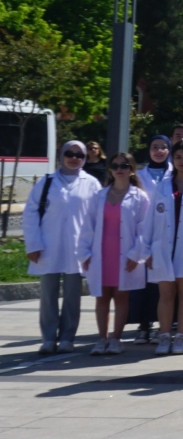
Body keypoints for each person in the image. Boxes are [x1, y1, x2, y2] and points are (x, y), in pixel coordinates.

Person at [23, 140, 101, 355]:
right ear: (61, 155)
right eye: (69, 153)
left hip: (78, 248)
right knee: (48, 295)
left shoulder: (92, 183)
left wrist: (93, 247)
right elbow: (30, 215)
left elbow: (97, 217)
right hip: (48, 245)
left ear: (85, 158)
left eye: (79, 154)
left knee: (72, 295)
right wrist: (33, 244)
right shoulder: (46, 182)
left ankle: (67, 337)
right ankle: (48, 338)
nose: (74, 157)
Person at [77, 153, 151, 355]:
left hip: (125, 254)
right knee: (101, 298)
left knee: (121, 297)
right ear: (110, 169)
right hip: (101, 254)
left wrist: (135, 255)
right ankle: (102, 338)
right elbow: (87, 226)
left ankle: (116, 339)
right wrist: (84, 253)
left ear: (132, 169)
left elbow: (145, 229)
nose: (119, 169)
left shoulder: (140, 197)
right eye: (115, 165)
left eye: (124, 165)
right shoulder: (99, 196)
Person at [143, 140, 183, 355]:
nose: (182, 161)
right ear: (172, 160)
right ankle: (164, 335)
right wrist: (147, 249)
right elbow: (150, 220)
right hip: (163, 247)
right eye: (178, 157)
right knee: (166, 293)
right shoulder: (162, 186)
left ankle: (181, 337)